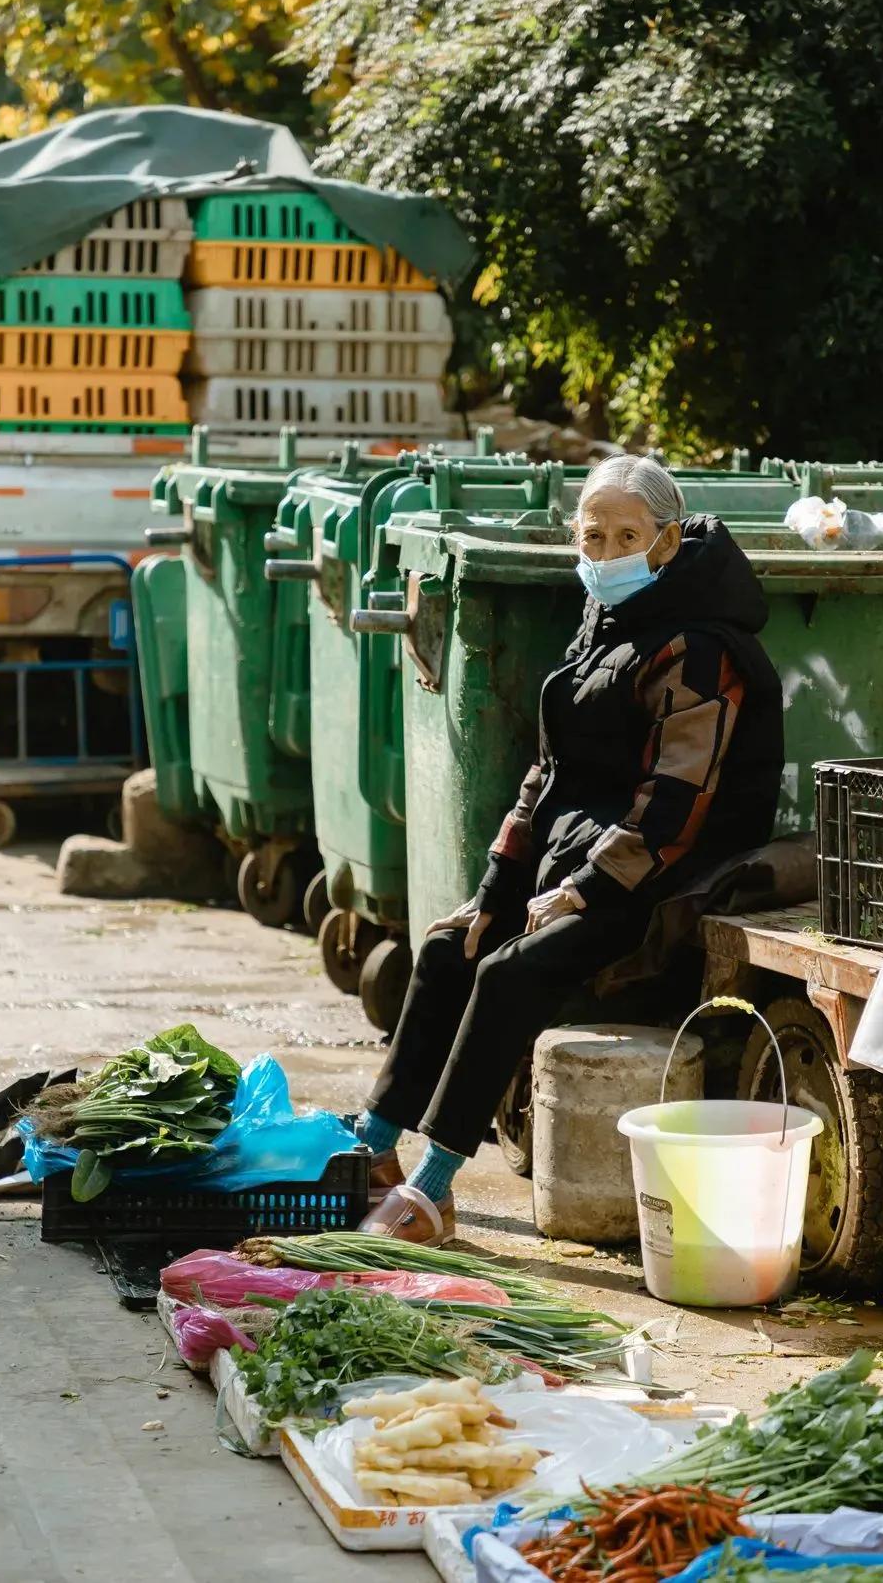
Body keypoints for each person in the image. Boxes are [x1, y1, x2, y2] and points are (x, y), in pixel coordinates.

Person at [354, 455, 786, 1245]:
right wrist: (495, 891)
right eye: (594, 536)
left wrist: (585, 887)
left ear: (667, 543)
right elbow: (547, 776)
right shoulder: (605, 623)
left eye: (628, 536)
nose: (608, 552)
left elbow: (678, 803)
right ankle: (372, 1148)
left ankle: (433, 1188)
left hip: (666, 875)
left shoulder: (698, 647)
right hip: (587, 859)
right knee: (452, 946)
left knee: (511, 971)